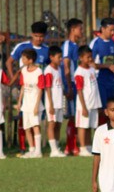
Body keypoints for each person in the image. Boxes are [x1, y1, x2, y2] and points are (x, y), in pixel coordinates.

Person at [74, 45, 102, 156]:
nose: (90, 59)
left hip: (93, 103)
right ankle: (82, 148)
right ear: (81, 58)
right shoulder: (79, 72)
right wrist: (84, 107)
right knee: (83, 126)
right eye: (88, 57)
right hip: (84, 104)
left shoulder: (91, 69)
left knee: (91, 125)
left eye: (91, 56)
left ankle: (89, 146)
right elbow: (80, 91)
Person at [17, 48, 45, 159]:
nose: (22, 60)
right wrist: (19, 101)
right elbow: (23, 86)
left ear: (30, 60)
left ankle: (38, 151)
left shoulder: (39, 72)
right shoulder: (23, 71)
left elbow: (40, 89)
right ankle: (31, 149)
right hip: (26, 104)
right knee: (27, 128)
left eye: (24, 58)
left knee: (35, 126)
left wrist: (37, 106)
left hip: (34, 104)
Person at [62, 18, 85, 154]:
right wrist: (69, 86)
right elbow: (66, 66)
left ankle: (73, 145)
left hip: (78, 85)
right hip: (71, 85)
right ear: (73, 29)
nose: (81, 31)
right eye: (80, 28)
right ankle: (69, 147)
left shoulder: (76, 46)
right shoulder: (67, 45)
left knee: (76, 116)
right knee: (72, 116)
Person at [43, 46, 67, 157]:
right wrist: (51, 104)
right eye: (58, 57)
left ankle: (56, 148)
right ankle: (53, 150)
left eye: (61, 57)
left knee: (58, 124)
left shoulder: (59, 69)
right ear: (51, 57)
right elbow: (48, 88)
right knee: (51, 124)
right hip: (52, 102)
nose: (60, 59)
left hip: (59, 101)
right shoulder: (49, 70)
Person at [90, 18, 114, 107]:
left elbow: (112, 61)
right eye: (111, 30)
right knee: (102, 108)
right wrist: (107, 66)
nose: (113, 33)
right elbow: (90, 64)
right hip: (99, 80)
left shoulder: (112, 43)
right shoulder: (95, 43)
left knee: (111, 107)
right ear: (103, 29)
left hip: (110, 80)